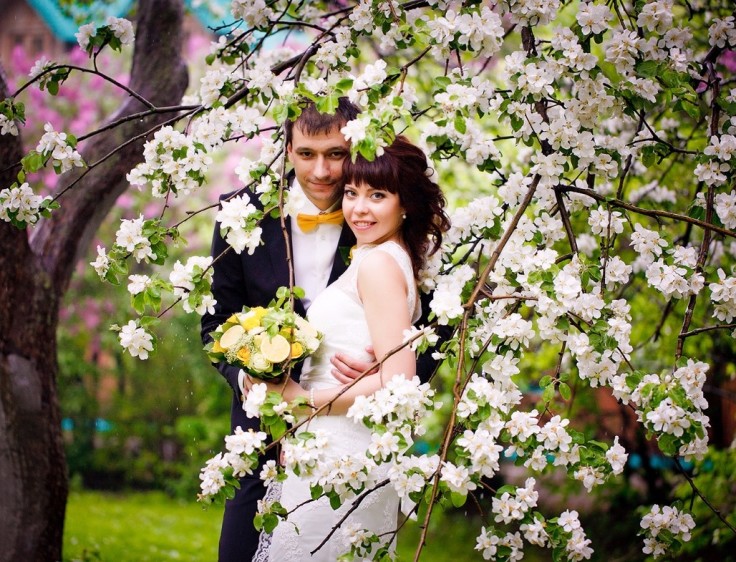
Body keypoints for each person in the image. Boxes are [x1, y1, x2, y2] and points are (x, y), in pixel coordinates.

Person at [201, 100, 443, 561]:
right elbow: (216, 321)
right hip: (259, 432)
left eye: (335, 154)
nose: (322, 171)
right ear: (288, 149)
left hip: (347, 435)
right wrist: (248, 377)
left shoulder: (374, 208)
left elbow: (433, 328)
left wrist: (383, 371)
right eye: (307, 154)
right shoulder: (241, 213)